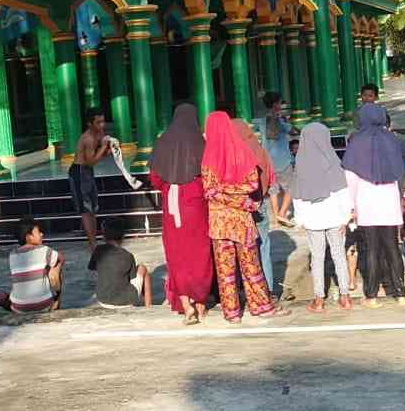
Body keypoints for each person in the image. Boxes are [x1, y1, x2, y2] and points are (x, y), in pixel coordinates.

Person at [202, 111, 290, 323]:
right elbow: (250, 184)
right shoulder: (242, 153)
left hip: (220, 222)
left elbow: (211, 192)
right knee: (251, 266)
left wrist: (225, 191)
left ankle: (232, 313)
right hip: (242, 218)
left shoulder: (208, 158)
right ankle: (260, 306)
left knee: (226, 270)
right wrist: (242, 201)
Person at [147, 102, 214, 324]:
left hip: (171, 205)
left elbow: (155, 179)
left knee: (177, 256)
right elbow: (208, 175)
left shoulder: (162, 141)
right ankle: (201, 303)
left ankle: (187, 307)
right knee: (200, 253)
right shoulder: (200, 142)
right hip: (196, 205)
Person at [342, 102, 405, 308]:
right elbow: (401, 171)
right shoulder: (392, 139)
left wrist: (351, 207)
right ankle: (400, 293)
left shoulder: (356, 142)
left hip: (366, 201)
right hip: (389, 200)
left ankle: (371, 296)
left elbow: (350, 177)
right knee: (392, 247)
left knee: (371, 249)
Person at [291, 122, 354, 313]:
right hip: (336, 218)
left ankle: (319, 300)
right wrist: (346, 218)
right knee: (339, 255)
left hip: (312, 220)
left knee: (317, 258)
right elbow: (344, 193)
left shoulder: (300, 166)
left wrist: (300, 220)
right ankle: (345, 297)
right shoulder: (334, 163)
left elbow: (298, 198)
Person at [231, 115, 280, 299]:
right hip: (262, 202)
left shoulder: (236, 153)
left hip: (242, 207)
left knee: (243, 250)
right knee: (263, 247)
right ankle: (268, 289)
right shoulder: (261, 151)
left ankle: (249, 290)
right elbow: (272, 178)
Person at [90, 217, 153, 308]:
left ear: (104, 236)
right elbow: (132, 278)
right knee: (142, 268)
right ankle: (148, 307)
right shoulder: (128, 255)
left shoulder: (97, 250)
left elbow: (94, 270)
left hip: (102, 299)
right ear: (123, 237)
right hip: (126, 300)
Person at [71, 108, 110, 249]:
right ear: (90, 124)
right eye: (98, 122)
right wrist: (104, 147)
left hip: (88, 172)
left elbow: (100, 155)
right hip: (79, 172)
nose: (102, 125)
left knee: (93, 208)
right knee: (86, 209)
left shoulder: (99, 134)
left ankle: (95, 240)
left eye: (103, 121)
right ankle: (92, 243)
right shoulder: (87, 138)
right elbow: (90, 161)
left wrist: (108, 150)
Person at [7, 217, 63, 313]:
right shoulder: (44, 250)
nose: (42, 234)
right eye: (38, 232)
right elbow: (61, 258)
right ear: (29, 236)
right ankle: (56, 302)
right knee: (55, 266)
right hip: (42, 305)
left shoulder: (12, 255)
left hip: (18, 308)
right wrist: (55, 270)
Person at [259, 91, 296, 229]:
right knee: (291, 187)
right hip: (282, 160)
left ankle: (276, 218)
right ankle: (282, 212)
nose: (281, 105)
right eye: (280, 103)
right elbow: (292, 131)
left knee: (273, 190)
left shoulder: (263, 120)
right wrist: (287, 121)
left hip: (268, 160)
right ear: (275, 104)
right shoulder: (278, 120)